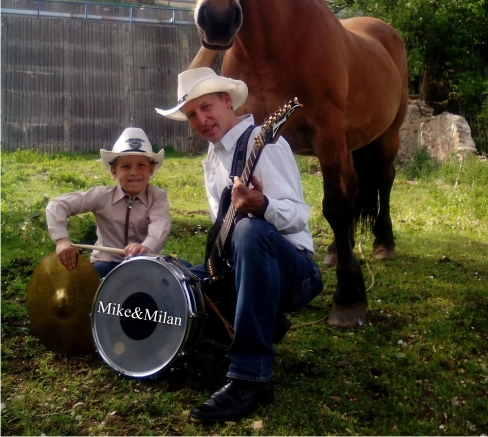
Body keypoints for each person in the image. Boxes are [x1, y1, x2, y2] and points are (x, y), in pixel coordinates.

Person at [157, 68, 323, 424]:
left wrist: (262, 206)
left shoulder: (266, 142)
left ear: (227, 101)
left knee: (250, 231)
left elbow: (298, 216)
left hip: (294, 270)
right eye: (191, 115)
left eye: (207, 107)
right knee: (172, 278)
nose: (201, 119)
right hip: (243, 267)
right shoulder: (214, 158)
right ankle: (258, 323)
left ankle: (251, 376)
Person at [45, 127, 170, 278]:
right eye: (126, 166)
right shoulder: (101, 196)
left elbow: (160, 226)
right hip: (106, 263)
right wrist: (62, 239)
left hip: (143, 262)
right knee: (86, 286)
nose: (133, 172)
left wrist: (146, 247)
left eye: (141, 165)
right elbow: (57, 205)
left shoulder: (157, 197)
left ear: (151, 169)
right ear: (114, 172)